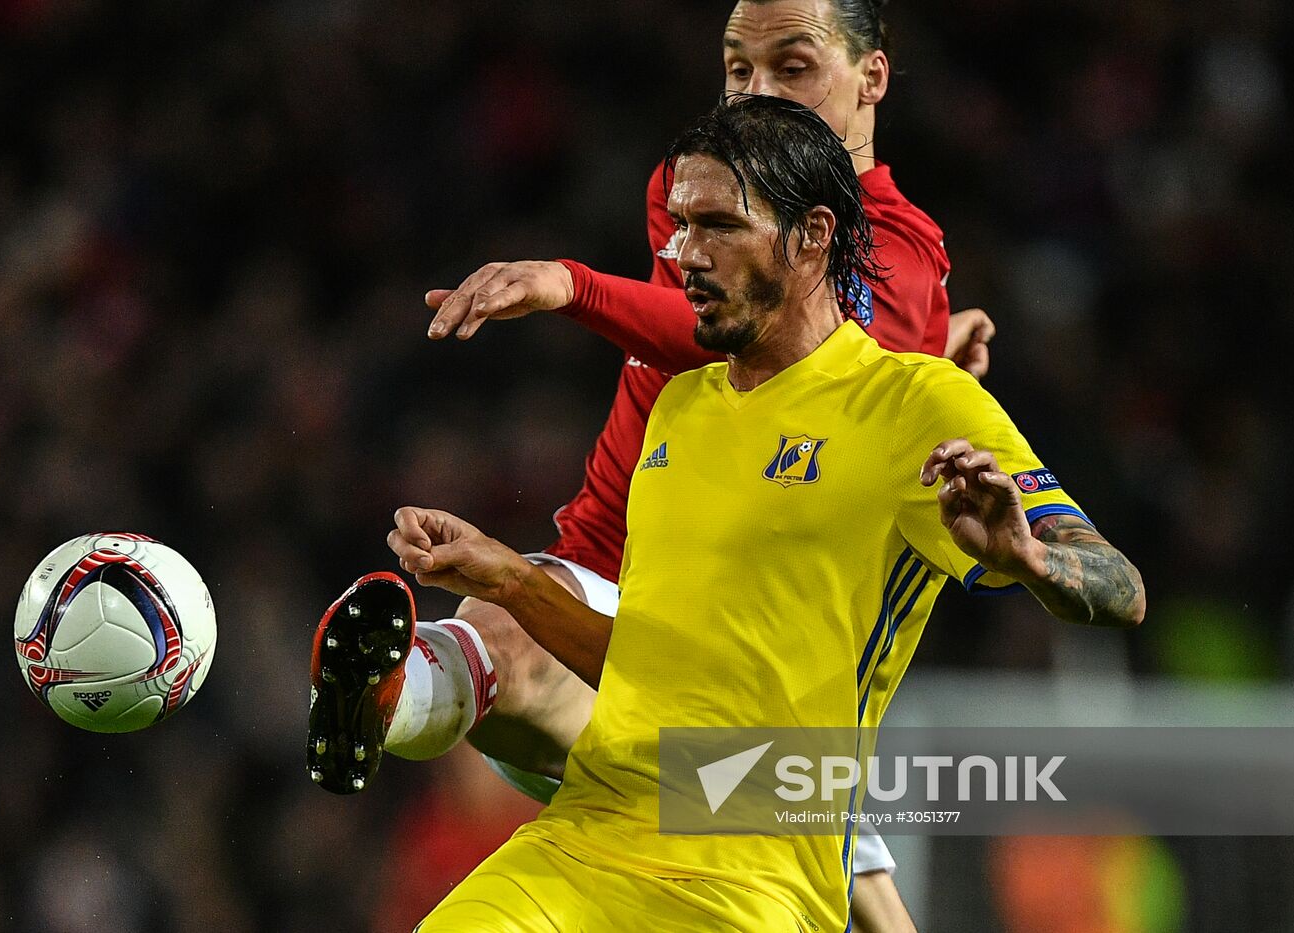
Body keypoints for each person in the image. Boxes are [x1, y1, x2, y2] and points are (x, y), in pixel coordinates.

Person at [382, 94, 1145, 931]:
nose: (686, 257)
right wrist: (511, 579)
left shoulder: (914, 403)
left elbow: (1121, 585)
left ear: (813, 235)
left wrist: (1031, 560)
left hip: (752, 882)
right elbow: (652, 678)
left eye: (719, 226)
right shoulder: (679, 409)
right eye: (679, 226)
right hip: (584, 838)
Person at [311, 2, 987, 927]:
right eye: (736, 69)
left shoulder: (897, 248)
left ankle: (409, 691)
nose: (758, 93)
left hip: (745, 672)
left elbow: (761, 339)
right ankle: (379, 698)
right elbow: (734, 339)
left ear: (872, 78)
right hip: (608, 582)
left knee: (828, 852)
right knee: (505, 626)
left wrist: (571, 285)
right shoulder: (686, 183)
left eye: (793, 68)